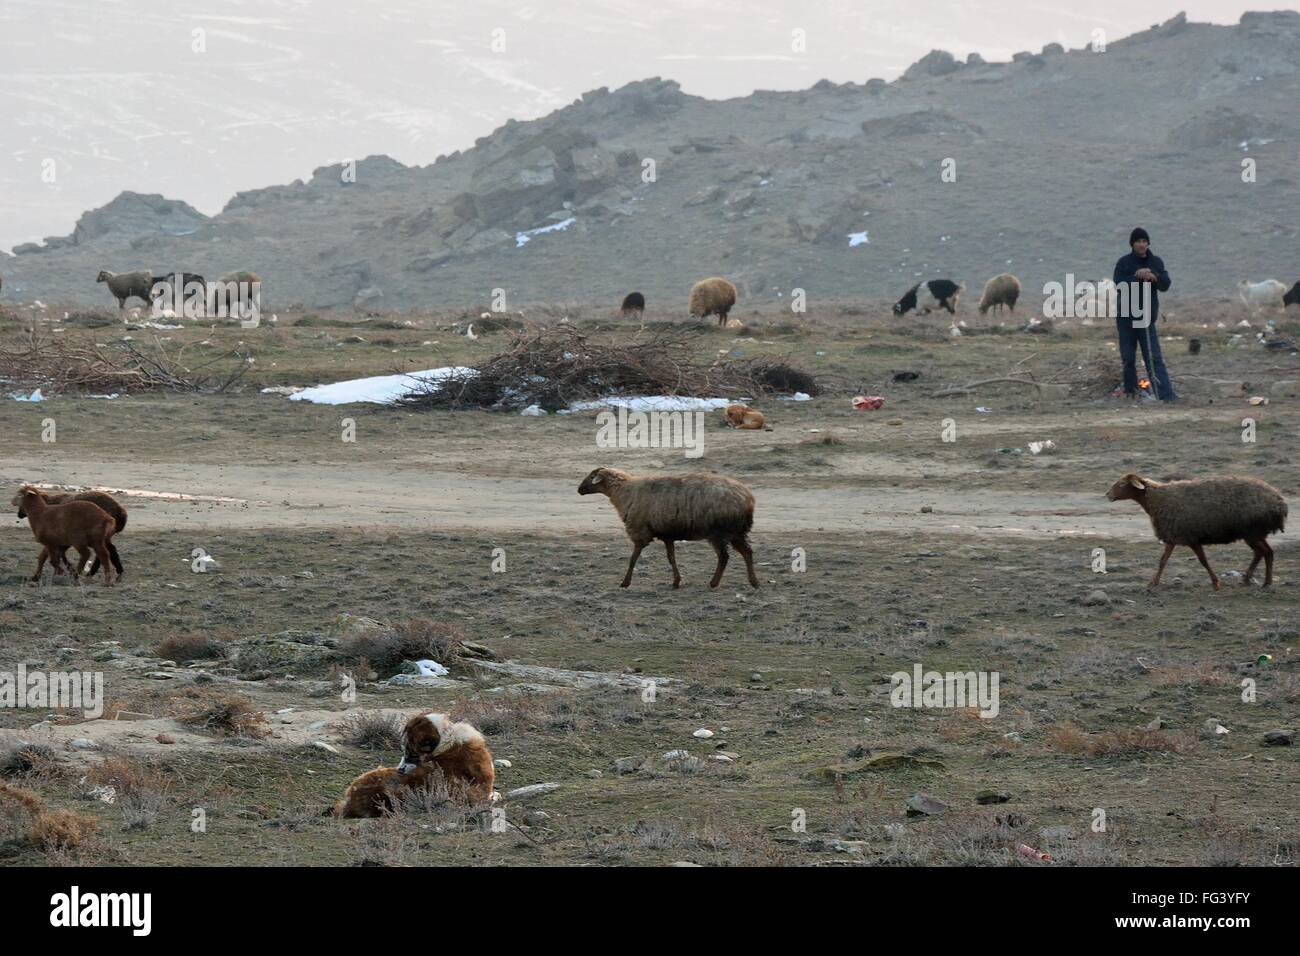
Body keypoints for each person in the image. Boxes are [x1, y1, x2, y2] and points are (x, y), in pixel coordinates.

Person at [1112, 227, 1177, 401]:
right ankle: (1132, 394)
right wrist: (1136, 276)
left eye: (1144, 241)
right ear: (1132, 244)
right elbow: (1118, 284)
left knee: (1154, 357)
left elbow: (1165, 284)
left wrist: (1155, 277)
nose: (1141, 245)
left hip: (1146, 319)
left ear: (1148, 243)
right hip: (1126, 318)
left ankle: (1165, 395)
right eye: (1138, 241)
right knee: (1128, 358)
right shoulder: (1124, 263)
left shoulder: (1156, 262)